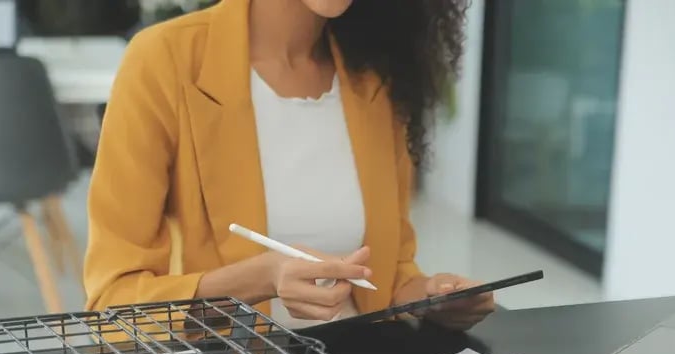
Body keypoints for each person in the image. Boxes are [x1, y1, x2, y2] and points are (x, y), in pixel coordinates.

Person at [84, 0, 495, 331]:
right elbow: (113, 301)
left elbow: (387, 279)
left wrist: (431, 296)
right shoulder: (165, 61)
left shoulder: (374, 78)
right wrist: (259, 279)